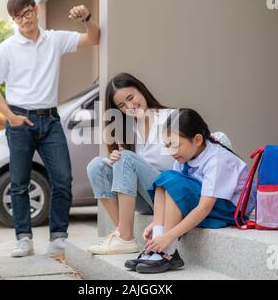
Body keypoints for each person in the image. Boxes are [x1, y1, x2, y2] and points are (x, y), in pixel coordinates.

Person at [0, 0, 100, 258]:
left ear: (35, 10)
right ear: (13, 20)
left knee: (63, 179)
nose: (23, 21)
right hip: (20, 121)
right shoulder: (6, 48)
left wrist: (87, 19)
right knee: (19, 183)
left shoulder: (55, 40)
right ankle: (23, 239)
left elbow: (93, 38)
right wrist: (11, 117)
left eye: (26, 14)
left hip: (50, 120)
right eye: (17, 18)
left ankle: (58, 237)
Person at [86, 74, 231, 255]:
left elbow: (214, 141)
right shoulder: (127, 131)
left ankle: (124, 237)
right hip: (149, 197)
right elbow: (130, 169)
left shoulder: (171, 118)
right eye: (121, 106)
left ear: (141, 90)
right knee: (96, 166)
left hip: (173, 197)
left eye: (131, 98)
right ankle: (123, 234)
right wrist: (117, 158)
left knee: (126, 158)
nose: (130, 107)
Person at [125, 108, 256, 274]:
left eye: (175, 145)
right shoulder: (184, 157)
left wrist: (170, 235)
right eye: (167, 146)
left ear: (198, 139)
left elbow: (204, 207)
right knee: (164, 179)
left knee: (172, 180)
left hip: (229, 210)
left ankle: (168, 251)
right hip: (206, 203)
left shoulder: (217, 159)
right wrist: (158, 225)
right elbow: (171, 191)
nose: (171, 151)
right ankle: (156, 245)